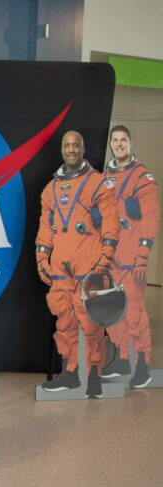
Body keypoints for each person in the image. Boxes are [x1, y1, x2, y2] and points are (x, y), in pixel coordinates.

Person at [36, 131, 120, 398]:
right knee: (64, 318)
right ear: (62, 150)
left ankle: (93, 376)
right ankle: (70, 372)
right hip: (61, 263)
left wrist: (106, 256)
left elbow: (111, 222)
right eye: (67, 145)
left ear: (84, 149)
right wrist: (41, 255)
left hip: (89, 261)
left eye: (76, 145)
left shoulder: (98, 184)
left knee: (90, 319)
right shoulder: (50, 189)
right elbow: (46, 227)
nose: (71, 149)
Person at [102, 125, 158, 388]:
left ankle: (143, 367)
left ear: (131, 143)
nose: (119, 144)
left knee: (133, 312)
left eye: (124, 140)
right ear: (111, 144)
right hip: (110, 256)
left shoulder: (142, 177)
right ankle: (123, 358)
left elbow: (151, 218)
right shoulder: (106, 176)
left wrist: (143, 255)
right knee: (113, 311)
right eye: (115, 140)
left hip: (131, 256)